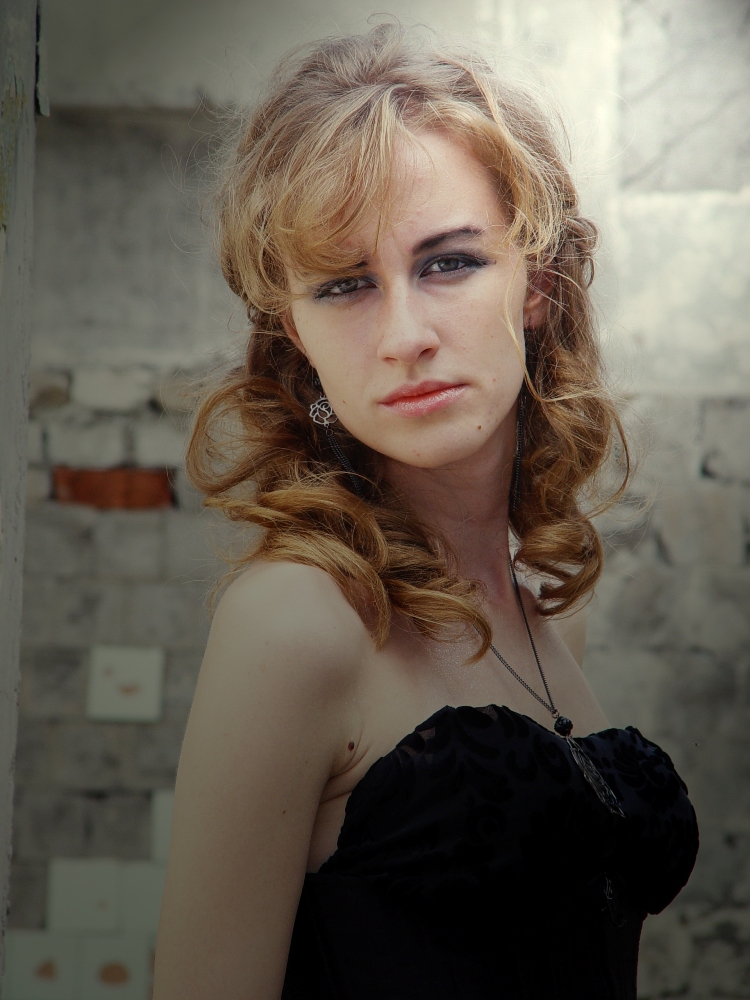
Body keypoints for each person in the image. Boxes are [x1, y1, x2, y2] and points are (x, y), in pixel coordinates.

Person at [152, 24, 699, 1000]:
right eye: (345, 285)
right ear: (296, 333)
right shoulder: (298, 621)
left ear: (537, 284)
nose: (404, 335)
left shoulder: (546, 609)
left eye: (448, 263)